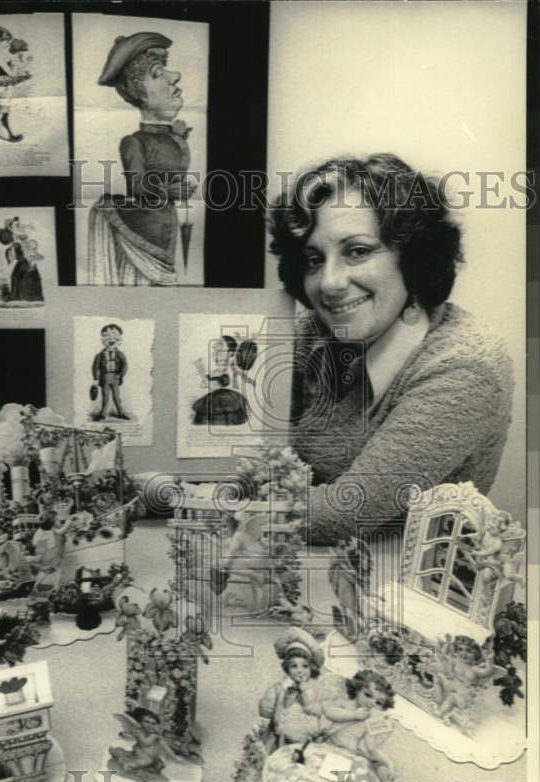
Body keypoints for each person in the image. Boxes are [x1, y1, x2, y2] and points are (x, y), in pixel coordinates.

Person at [270, 154, 514, 545]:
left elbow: (342, 516)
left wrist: (190, 495)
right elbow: (245, 456)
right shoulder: (312, 334)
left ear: (414, 256)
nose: (329, 283)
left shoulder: (466, 365)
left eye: (358, 251)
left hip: (404, 592)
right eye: (314, 260)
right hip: (296, 568)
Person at [89, 32, 193, 285]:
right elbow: (137, 187)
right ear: (140, 94)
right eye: (158, 74)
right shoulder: (133, 142)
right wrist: (170, 189)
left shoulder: (174, 135)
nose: (175, 77)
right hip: (143, 238)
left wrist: (178, 137)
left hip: (167, 230)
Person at [191, 334, 257, 426]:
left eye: (220, 345)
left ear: (230, 353)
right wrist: (203, 373)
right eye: (217, 345)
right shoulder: (216, 371)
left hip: (225, 399)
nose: (215, 347)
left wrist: (200, 369)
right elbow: (203, 385)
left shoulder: (227, 371)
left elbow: (212, 386)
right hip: (215, 399)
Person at [91, 323, 129, 421]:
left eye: (114, 335)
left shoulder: (120, 354)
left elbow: (124, 366)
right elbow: (95, 367)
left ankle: (120, 413)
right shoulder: (99, 355)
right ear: (103, 339)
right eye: (107, 335)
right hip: (105, 378)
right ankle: (103, 414)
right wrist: (95, 379)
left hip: (115, 378)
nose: (111, 339)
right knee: (105, 397)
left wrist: (120, 375)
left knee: (116, 397)